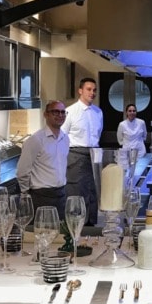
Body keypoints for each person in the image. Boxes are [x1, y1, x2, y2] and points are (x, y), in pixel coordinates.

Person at [16, 100, 70, 217]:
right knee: (42, 233)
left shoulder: (65, 139)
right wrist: (26, 194)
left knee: (60, 233)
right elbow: (22, 171)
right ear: (46, 114)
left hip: (61, 194)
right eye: (55, 112)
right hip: (41, 196)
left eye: (63, 112)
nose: (60, 115)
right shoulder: (36, 140)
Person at [63, 77, 103, 225]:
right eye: (88, 89)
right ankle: (76, 227)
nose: (92, 93)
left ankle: (91, 228)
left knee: (93, 192)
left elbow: (97, 136)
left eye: (94, 90)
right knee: (77, 192)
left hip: (94, 154)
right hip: (75, 155)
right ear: (80, 90)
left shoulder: (98, 112)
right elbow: (62, 137)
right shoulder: (70, 112)